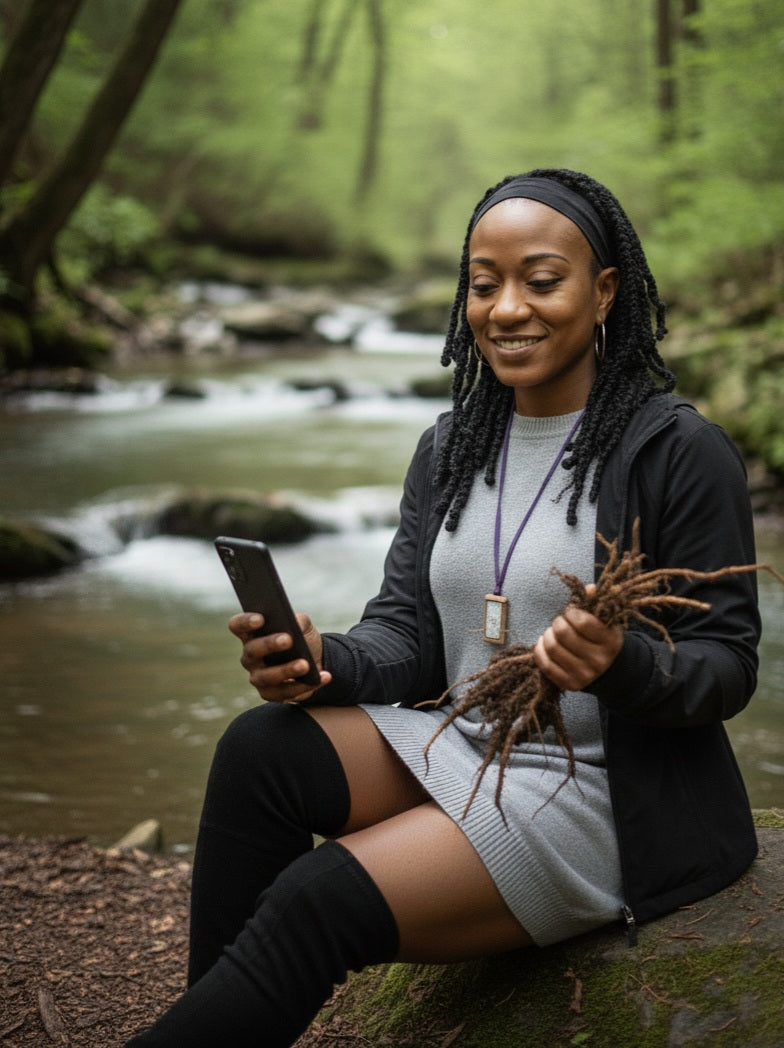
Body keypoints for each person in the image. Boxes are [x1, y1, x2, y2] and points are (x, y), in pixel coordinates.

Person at [125, 168, 760, 1047]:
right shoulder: (454, 445)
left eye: (542, 281)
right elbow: (410, 639)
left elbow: (729, 667)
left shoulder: (680, 452)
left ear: (605, 291)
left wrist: (624, 666)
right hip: (465, 743)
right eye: (484, 283)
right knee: (258, 751)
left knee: (319, 897)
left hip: (603, 798)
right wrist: (323, 661)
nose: (507, 309)